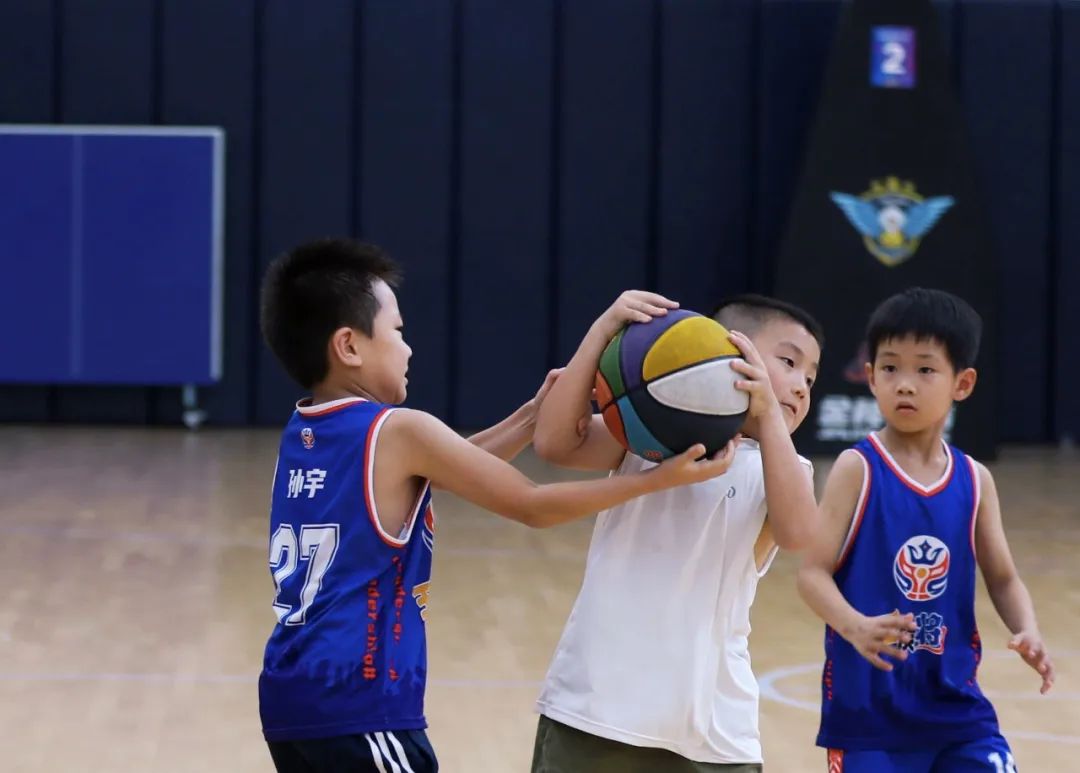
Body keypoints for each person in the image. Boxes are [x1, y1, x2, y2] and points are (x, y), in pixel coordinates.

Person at [256, 239, 738, 773]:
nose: (408, 348)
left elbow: (448, 467)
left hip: (289, 697)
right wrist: (657, 479)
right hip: (357, 703)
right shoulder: (399, 430)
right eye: (397, 331)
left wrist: (531, 416)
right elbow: (533, 504)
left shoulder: (305, 431)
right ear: (349, 346)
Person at [531, 290, 824, 772]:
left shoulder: (783, 467)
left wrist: (769, 413)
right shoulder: (648, 439)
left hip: (714, 728)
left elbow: (799, 535)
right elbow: (554, 442)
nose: (800, 387)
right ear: (723, 350)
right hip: (597, 706)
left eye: (810, 378)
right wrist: (602, 331)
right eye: (788, 363)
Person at [796, 287, 1054, 772]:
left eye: (925, 370)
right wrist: (854, 626)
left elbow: (1002, 578)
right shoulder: (857, 468)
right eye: (890, 368)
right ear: (870, 376)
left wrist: (1028, 629)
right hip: (869, 716)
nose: (905, 385)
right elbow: (811, 573)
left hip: (957, 712)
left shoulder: (975, 479)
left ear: (963, 383)